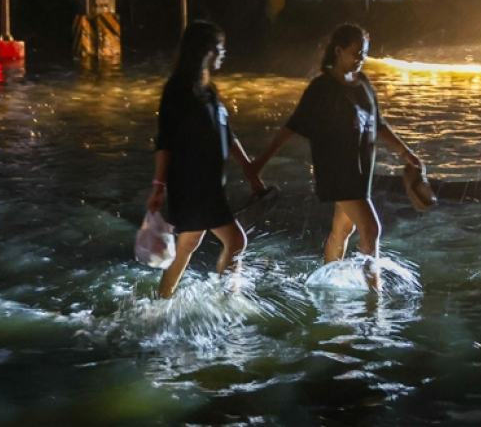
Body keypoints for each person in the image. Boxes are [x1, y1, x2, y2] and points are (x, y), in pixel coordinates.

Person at [246, 24, 423, 292]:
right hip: (337, 172)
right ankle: (374, 297)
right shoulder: (322, 88)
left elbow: (379, 124)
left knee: (343, 230)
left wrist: (407, 154)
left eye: (363, 54)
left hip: (360, 172)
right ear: (338, 51)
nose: (360, 59)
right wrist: (260, 163)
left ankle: (325, 281)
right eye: (355, 53)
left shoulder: (362, 83)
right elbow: (291, 128)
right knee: (371, 229)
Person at [146, 20, 264, 299]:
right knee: (235, 241)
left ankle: (162, 300)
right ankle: (226, 300)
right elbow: (165, 143)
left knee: (189, 242)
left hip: (209, 183)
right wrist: (158, 187)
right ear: (204, 50)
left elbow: (228, 135)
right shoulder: (178, 91)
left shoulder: (208, 92)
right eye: (219, 47)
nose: (223, 52)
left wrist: (249, 169)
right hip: (191, 183)